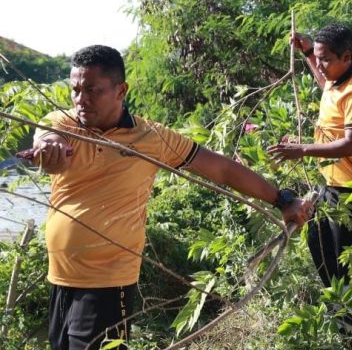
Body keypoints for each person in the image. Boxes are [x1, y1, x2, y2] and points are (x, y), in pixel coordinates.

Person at [32, 45, 309, 350]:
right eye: (75, 90)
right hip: (60, 278)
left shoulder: (152, 138)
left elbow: (221, 169)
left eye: (92, 90)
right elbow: (49, 141)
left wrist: (283, 200)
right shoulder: (63, 123)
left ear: (121, 90)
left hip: (108, 281)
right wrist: (49, 149)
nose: (81, 99)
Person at [268, 24, 352, 294]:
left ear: (346, 57)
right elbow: (326, 84)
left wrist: (303, 149)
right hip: (331, 184)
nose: (320, 65)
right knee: (318, 242)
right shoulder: (338, 77)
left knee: (347, 264)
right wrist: (308, 52)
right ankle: (337, 305)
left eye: (325, 59)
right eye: (318, 58)